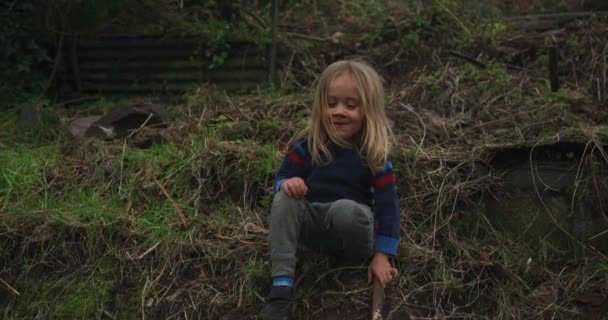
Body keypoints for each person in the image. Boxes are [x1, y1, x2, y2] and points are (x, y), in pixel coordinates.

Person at [259, 59, 400, 319]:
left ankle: (353, 262)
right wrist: (288, 184)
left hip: (351, 226)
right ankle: (281, 286)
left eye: (350, 105)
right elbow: (282, 177)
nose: (339, 111)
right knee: (283, 199)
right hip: (311, 223)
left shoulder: (374, 154)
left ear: (368, 110)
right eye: (331, 103)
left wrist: (382, 254)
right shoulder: (308, 144)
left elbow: (388, 206)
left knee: (347, 211)